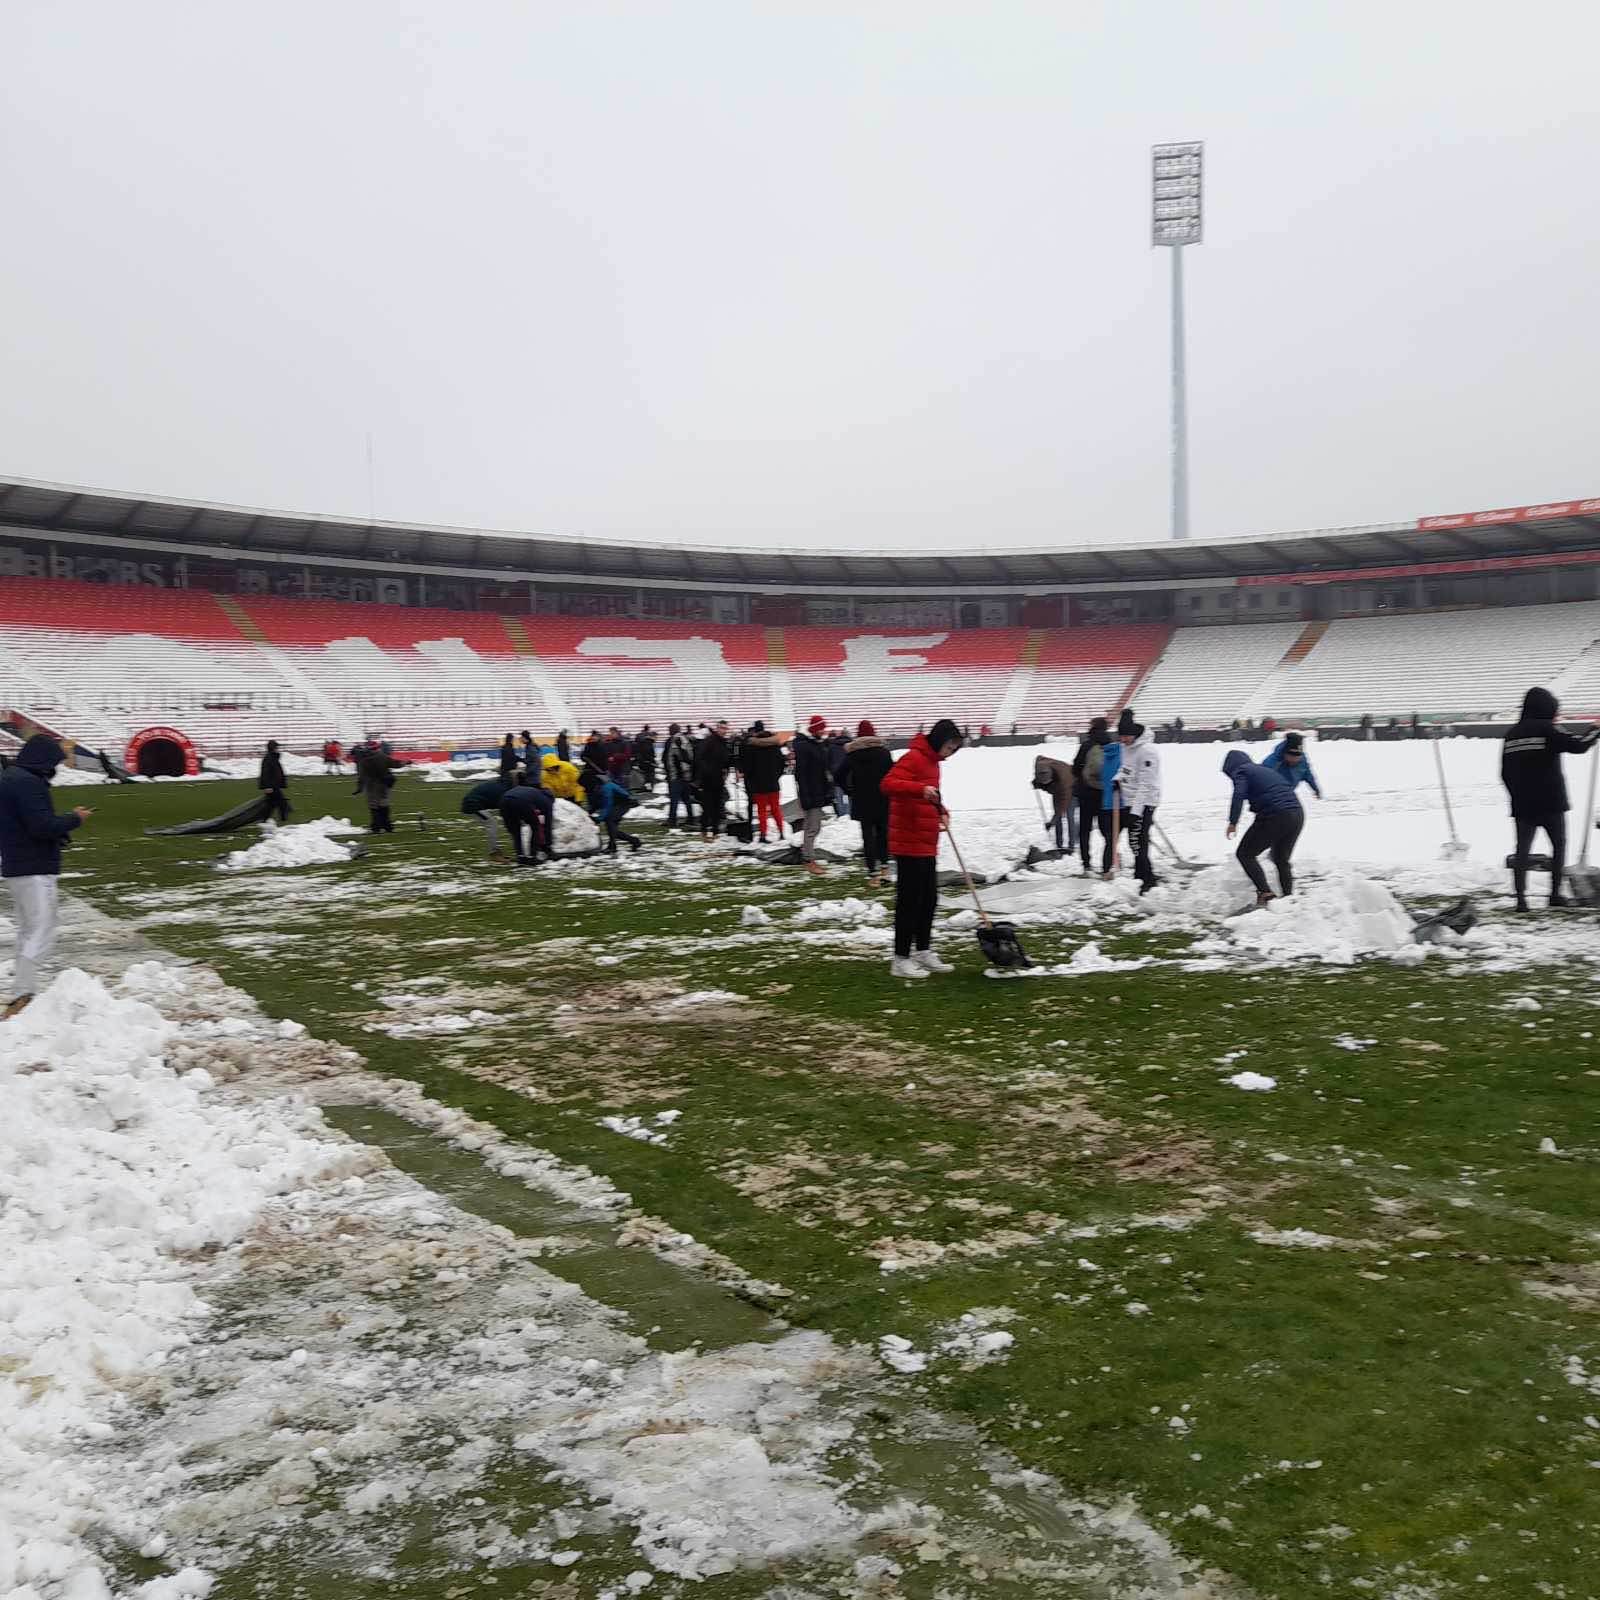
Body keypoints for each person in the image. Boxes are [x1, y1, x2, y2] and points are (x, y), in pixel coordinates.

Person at [0, 736, 91, 1017]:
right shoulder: (28, 783)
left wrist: (58, 833)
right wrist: (74, 819)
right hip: (35, 868)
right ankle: (23, 994)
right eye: (54, 762)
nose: (55, 768)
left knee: (28, 930)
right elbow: (41, 826)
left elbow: (24, 824)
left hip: (17, 865)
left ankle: (21, 992)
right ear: (42, 760)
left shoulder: (11, 779)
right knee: (42, 929)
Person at [1501, 686, 1600, 911]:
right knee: (1558, 846)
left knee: (1522, 851)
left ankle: (1521, 900)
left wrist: (1517, 795)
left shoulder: (1511, 734)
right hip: (1551, 802)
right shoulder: (1548, 729)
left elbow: (1504, 773)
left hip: (1523, 805)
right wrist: (1594, 730)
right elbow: (1578, 745)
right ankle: (1555, 894)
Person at [880, 718, 963, 978]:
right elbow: (888, 784)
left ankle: (923, 950)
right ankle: (900, 958)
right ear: (939, 740)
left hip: (926, 841)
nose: (950, 753)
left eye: (954, 749)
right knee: (910, 901)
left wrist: (943, 811)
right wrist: (920, 789)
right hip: (908, 840)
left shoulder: (933, 763)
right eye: (949, 747)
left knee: (929, 899)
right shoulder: (914, 758)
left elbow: (932, 795)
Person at [1222, 750, 1304, 907]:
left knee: (1245, 854)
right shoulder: (1263, 770)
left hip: (1275, 814)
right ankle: (1288, 899)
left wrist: (1233, 822)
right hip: (1297, 813)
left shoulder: (1241, 771)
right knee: (1281, 859)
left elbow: (1238, 794)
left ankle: (1266, 893)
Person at [845, 720, 893, 886]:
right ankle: (885, 868)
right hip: (882, 799)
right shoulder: (884, 753)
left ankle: (873, 874)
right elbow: (892, 774)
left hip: (862, 801)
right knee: (882, 834)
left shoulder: (852, 754)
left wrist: (849, 790)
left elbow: (838, 775)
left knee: (867, 836)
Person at [1118, 721, 1161, 894]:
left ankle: (1147, 879)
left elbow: (1146, 784)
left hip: (1144, 802)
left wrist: (1136, 812)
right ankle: (1140, 874)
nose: (1123, 740)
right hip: (1129, 800)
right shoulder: (1126, 748)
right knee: (1135, 841)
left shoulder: (1147, 751)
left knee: (1138, 842)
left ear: (1134, 735)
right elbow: (1126, 769)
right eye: (1121, 736)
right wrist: (1116, 779)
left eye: (1126, 736)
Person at [792, 715, 834, 876]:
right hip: (811, 792)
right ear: (815, 729)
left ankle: (808, 857)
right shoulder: (806, 747)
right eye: (821, 728)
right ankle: (808, 859)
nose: (824, 731)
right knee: (812, 827)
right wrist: (806, 796)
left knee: (813, 827)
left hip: (817, 791)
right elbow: (801, 774)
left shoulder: (816, 744)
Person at [740, 721, 789, 842]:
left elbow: (748, 768)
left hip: (758, 785)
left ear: (755, 731)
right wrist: (775, 776)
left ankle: (763, 835)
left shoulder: (752, 746)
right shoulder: (775, 745)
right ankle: (781, 833)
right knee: (775, 809)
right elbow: (782, 763)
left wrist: (752, 779)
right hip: (773, 783)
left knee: (762, 811)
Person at [1072, 718, 1109, 873]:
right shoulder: (1110, 744)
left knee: (1085, 830)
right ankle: (1108, 863)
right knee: (1107, 830)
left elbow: (1075, 768)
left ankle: (1086, 863)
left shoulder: (1086, 745)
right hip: (1104, 794)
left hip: (1086, 794)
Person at [499, 773, 554, 866]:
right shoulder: (547, 801)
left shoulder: (533, 792)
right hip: (521, 802)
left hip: (504, 800)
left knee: (516, 831)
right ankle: (532, 857)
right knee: (536, 827)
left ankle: (520, 857)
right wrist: (547, 846)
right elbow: (547, 824)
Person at [694, 719, 734, 840]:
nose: (724, 731)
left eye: (725, 728)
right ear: (717, 728)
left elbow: (726, 759)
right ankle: (704, 830)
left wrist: (727, 769)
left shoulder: (724, 742)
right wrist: (707, 772)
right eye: (722, 728)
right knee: (707, 806)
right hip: (708, 779)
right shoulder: (709, 741)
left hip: (719, 778)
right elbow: (700, 758)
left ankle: (715, 831)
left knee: (717, 805)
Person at [460, 772, 513, 861]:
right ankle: (494, 853)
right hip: (472, 805)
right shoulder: (504, 790)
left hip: (476, 803)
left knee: (493, 823)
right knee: (492, 824)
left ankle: (495, 851)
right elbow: (503, 808)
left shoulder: (502, 784)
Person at [1031, 752, 1076, 854]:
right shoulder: (1040, 769)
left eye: (1047, 782)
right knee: (1057, 817)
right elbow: (1041, 781)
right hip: (1057, 789)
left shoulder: (1064, 779)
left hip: (1072, 788)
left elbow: (1063, 806)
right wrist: (1036, 783)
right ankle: (1059, 845)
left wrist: (1052, 822)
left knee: (1069, 816)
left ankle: (1071, 846)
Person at [358, 745, 409, 833]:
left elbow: (362, 776)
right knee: (384, 806)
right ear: (377, 749)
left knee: (373, 807)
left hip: (370, 786)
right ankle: (387, 826)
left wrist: (360, 787)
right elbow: (396, 764)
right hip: (383, 785)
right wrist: (405, 762)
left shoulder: (364, 760)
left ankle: (376, 827)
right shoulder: (382, 757)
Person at [1263, 731, 1323, 800]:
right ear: (1285, 753)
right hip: (1270, 796)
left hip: (1287, 794)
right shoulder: (1272, 763)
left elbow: (1308, 775)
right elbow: (1261, 780)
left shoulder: (1302, 762)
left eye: (1297, 757)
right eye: (1291, 757)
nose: (1294, 760)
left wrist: (1315, 789)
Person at [596, 773, 643, 854]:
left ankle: (613, 847)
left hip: (624, 804)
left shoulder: (606, 787)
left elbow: (607, 804)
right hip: (616, 804)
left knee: (610, 822)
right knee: (612, 829)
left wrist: (600, 818)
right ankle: (633, 841)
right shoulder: (597, 785)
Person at [258, 740, 290, 823]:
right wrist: (267, 786)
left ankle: (265, 819)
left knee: (272, 804)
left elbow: (277, 771)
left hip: (274, 785)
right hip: (272, 786)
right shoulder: (268, 758)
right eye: (276, 747)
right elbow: (265, 773)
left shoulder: (273, 758)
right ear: (273, 748)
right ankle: (282, 818)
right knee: (280, 802)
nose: (278, 749)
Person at [827, 730, 851, 817]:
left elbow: (828, 762)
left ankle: (842, 815)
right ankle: (849, 814)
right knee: (848, 797)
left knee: (840, 797)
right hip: (849, 778)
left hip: (836, 777)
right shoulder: (852, 745)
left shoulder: (832, 747)